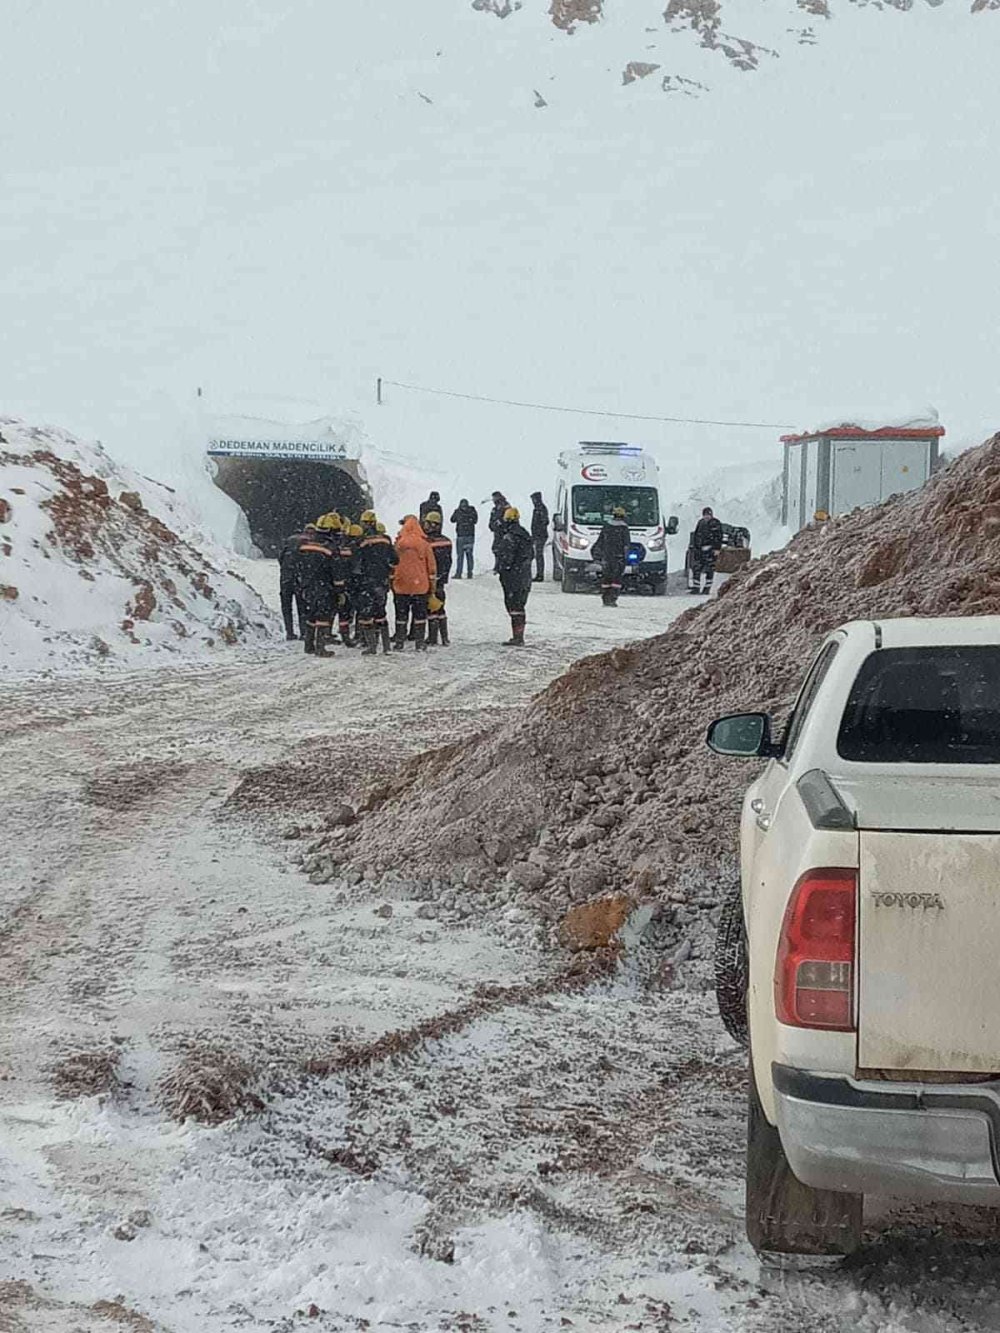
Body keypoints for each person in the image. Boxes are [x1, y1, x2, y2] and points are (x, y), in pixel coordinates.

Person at [353, 510, 398, 656]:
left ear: (366, 523)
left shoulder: (361, 541)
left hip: (367, 582)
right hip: (382, 582)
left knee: (366, 614)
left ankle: (372, 646)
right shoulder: (386, 539)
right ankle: (386, 647)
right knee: (381, 612)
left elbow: (356, 563)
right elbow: (395, 560)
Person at [298, 513, 341, 657]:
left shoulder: (306, 545)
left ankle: (308, 645)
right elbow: (336, 570)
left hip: (308, 585)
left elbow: (299, 565)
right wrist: (340, 589)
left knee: (311, 614)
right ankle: (320, 647)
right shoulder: (330, 547)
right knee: (323, 615)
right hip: (324, 586)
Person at [392, 514, 437, 651]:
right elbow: (432, 567)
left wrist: (391, 580)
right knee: (419, 615)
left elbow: (392, 563)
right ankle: (419, 642)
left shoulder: (399, 544)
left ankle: (400, 641)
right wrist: (432, 587)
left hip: (401, 585)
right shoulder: (424, 544)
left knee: (401, 615)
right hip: (420, 586)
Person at [495, 506, 534, 646]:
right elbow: (531, 555)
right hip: (525, 577)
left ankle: (517, 637)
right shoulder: (525, 535)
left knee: (513, 607)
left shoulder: (509, 537)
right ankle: (519, 635)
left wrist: (502, 569)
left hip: (513, 578)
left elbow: (506, 558)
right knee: (520, 607)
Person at [423, 511, 453, 646]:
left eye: (427, 523)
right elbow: (448, 561)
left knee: (431, 608)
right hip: (441, 580)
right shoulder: (447, 541)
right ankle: (445, 637)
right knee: (441, 607)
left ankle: (433, 637)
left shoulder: (426, 542)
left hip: (430, 579)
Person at [592, 506, 630, 607]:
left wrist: (596, 554)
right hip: (619, 557)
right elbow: (626, 544)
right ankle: (612, 598)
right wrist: (626, 557)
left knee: (606, 577)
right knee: (616, 579)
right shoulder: (624, 528)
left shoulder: (607, 526)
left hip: (607, 556)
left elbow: (600, 541)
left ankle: (605, 597)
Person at [278, 523, 309, 640]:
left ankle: (289, 632)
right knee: (302, 606)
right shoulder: (304, 543)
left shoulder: (287, 544)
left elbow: (280, 559)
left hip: (285, 577)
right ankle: (304, 632)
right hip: (299, 578)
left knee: (286, 606)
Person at [688, 506, 725, 595]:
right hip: (700, 550)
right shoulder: (700, 523)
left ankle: (707, 588)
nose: (706, 517)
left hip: (710, 550)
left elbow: (718, 537)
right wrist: (695, 547)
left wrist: (716, 549)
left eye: (708, 515)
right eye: (705, 515)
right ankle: (696, 587)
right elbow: (696, 535)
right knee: (696, 568)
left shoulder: (715, 523)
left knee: (709, 569)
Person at [450, 499, 478, 579]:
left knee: (460, 556)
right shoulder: (472, 510)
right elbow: (475, 520)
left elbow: (452, 520)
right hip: (470, 536)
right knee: (469, 555)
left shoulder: (458, 511)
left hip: (461, 536)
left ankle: (459, 573)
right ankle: (470, 573)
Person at [530, 492, 550, 583]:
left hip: (540, 535)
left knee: (539, 555)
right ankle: (539, 573)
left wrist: (538, 533)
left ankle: (540, 574)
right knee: (538, 554)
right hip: (537, 535)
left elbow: (545, 522)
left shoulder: (541, 509)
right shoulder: (538, 508)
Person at [488, 491, 509, 573]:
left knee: (503, 549)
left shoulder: (505, 506)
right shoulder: (495, 508)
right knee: (496, 548)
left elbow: (508, 517)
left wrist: (501, 523)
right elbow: (492, 518)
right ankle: (497, 564)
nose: (493, 499)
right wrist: (492, 525)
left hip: (504, 531)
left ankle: (502, 565)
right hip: (497, 532)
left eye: (495, 497)